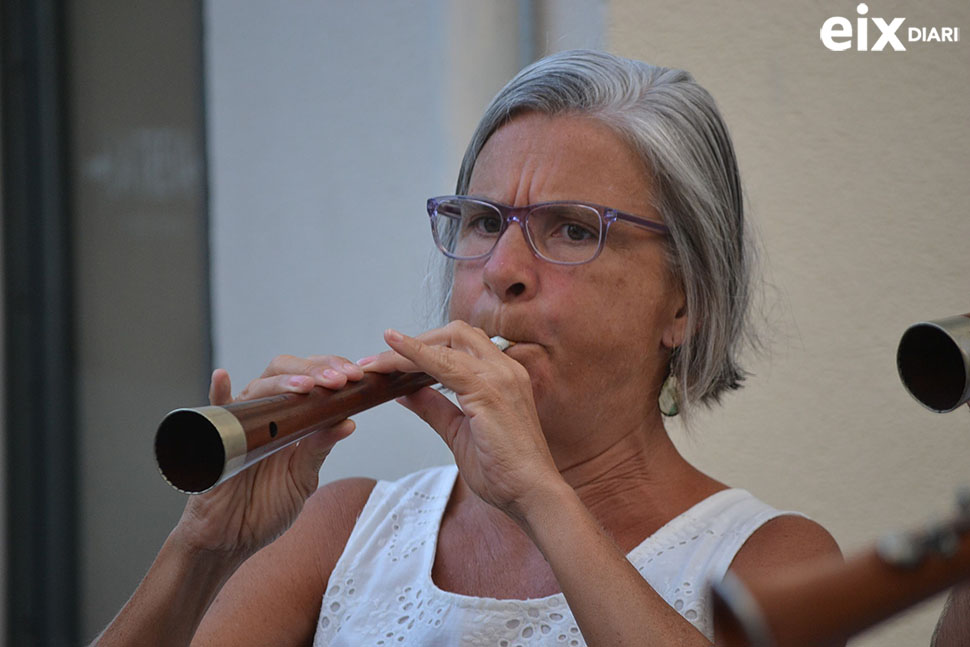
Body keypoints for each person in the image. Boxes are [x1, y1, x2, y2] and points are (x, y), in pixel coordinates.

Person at [92, 49, 841, 647]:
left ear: (686, 300)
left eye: (572, 229)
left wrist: (540, 496)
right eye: (484, 221)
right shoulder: (345, 527)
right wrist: (203, 549)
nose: (504, 271)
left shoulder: (774, 557)